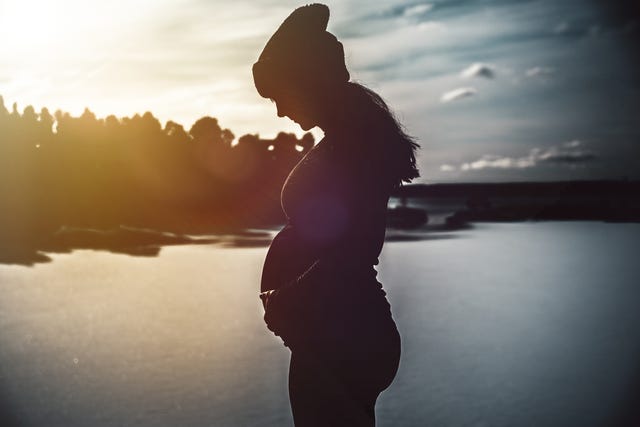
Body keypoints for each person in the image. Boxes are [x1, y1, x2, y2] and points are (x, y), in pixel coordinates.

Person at [253, 4, 420, 426]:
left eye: (279, 95)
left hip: (343, 335)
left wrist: (291, 296)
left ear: (305, 80)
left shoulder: (354, 145)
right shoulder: (346, 140)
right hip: (338, 331)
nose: (279, 111)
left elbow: (356, 247)